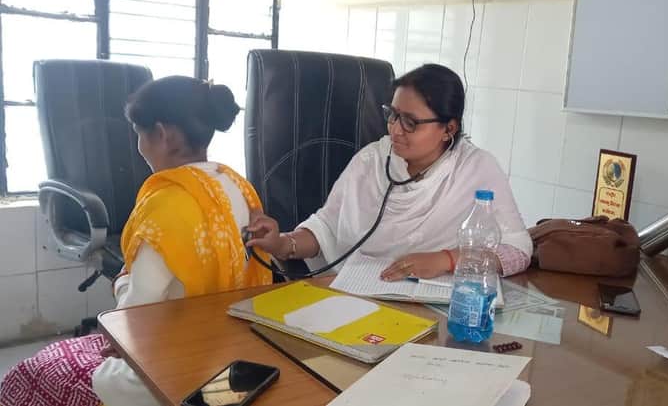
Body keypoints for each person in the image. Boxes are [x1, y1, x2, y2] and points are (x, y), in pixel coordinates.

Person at [0, 76, 272, 406]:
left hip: (169, 373)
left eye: (139, 134)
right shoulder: (240, 187)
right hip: (236, 359)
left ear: (163, 134)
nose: (139, 146)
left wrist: (121, 283)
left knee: (30, 372)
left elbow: (136, 314)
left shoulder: (166, 206)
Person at [247, 64, 532, 280]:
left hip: (435, 310)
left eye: (410, 122)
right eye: (392, 115)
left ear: (449, 128)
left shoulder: (477, 169)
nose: (395, 129)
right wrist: (281, 244)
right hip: (359, 299)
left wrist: (446, 260)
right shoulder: (371, 161)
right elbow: (326, 230)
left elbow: (518, 251)